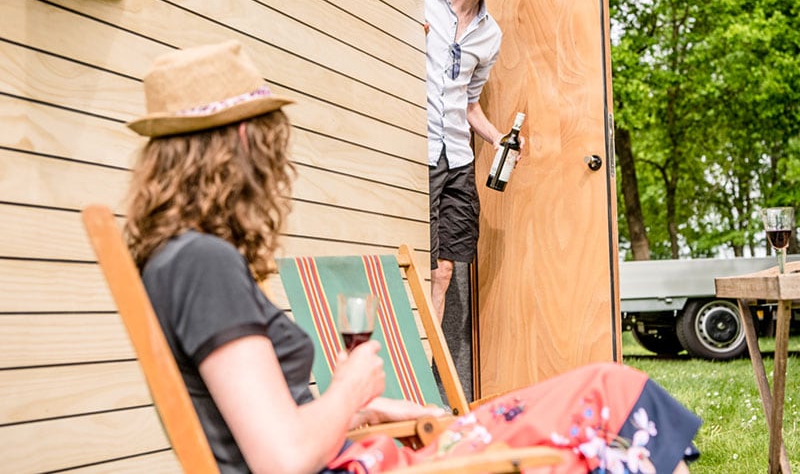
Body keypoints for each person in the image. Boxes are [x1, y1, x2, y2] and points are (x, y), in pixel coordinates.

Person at [124, 40, 701, 474]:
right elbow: (280, 457)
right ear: (242, 143)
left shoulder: (178, 259)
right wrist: (352, 388)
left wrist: (361, 411)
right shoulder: (202, 263)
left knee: (604, 386)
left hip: (354, 447)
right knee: (607, 395)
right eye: (272, 137)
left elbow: (265, 426)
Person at [425, 0, 518, 322]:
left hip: (458, 159)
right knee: (423, 266)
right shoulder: (419, 3)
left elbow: (470, 103)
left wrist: (499, 139)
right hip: (420, 151)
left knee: (445, 271)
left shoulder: (491, 36)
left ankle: (429, 374)